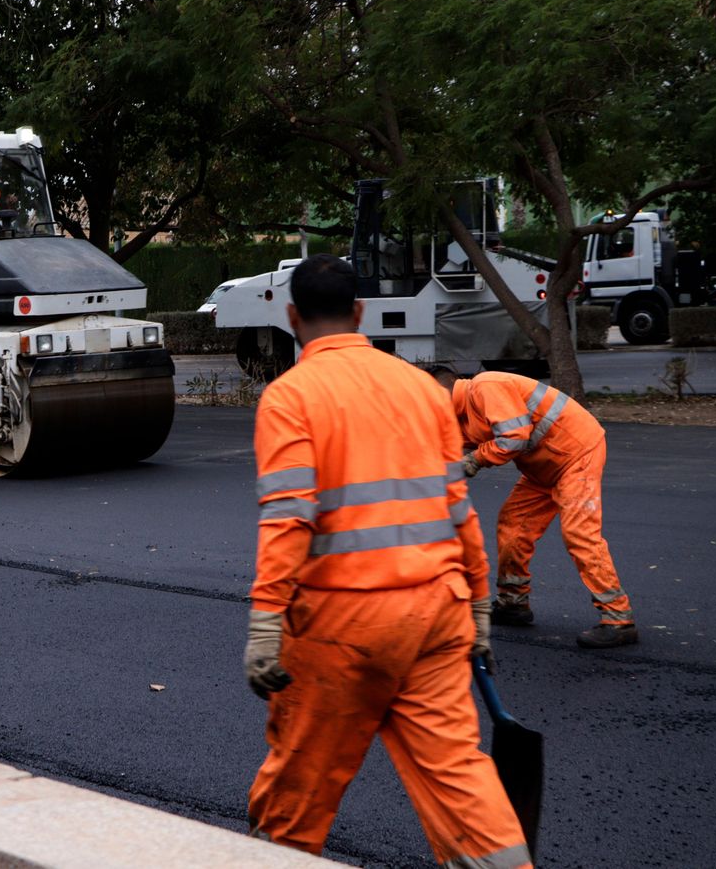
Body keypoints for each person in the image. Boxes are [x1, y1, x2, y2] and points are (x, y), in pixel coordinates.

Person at [246, 255, 529, 867]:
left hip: (341, 628)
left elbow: (289, 523)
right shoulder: (422, 390)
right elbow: (459, 511)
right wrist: (479, 604)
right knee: (460, 777)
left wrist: (266, 621)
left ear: (292, 317)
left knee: (299, 793)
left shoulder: (291, 396)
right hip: (436, 617)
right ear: (360, 313)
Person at [431, 367, 637, 648]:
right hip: (544, 467)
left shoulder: (485, 386)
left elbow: (514, 438)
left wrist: (474, 461)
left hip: (577, 454)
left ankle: (618, 619)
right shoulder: (461, 417)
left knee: (580, 533)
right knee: (513, 525)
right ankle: (512, 604)